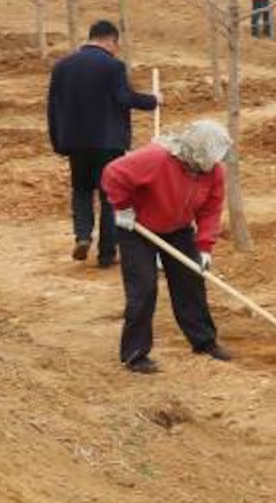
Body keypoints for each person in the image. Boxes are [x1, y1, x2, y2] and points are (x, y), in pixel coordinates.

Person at [100, 118, 233, 373]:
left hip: (178, 229)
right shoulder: (157, 159)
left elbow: (210, 210)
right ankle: (135, 354)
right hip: (137, 228)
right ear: (197, 150)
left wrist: (204, 248)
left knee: (191, 281)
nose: (216, 162)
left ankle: (204, 342)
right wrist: (123, 207)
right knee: (144, 288)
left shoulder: (214, 172)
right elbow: (113, 173)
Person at [48, 20, 160, 266]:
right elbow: (123, 97)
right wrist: (152, 100)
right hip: (108, 142)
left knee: (81, 190)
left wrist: (58, 140)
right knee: (110, 194)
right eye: (116, 45)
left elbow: (53, 107)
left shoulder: (62, 66)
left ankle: (83, 236)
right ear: (110, 40)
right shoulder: (113, 66)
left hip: (75, 141)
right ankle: (107, 253)